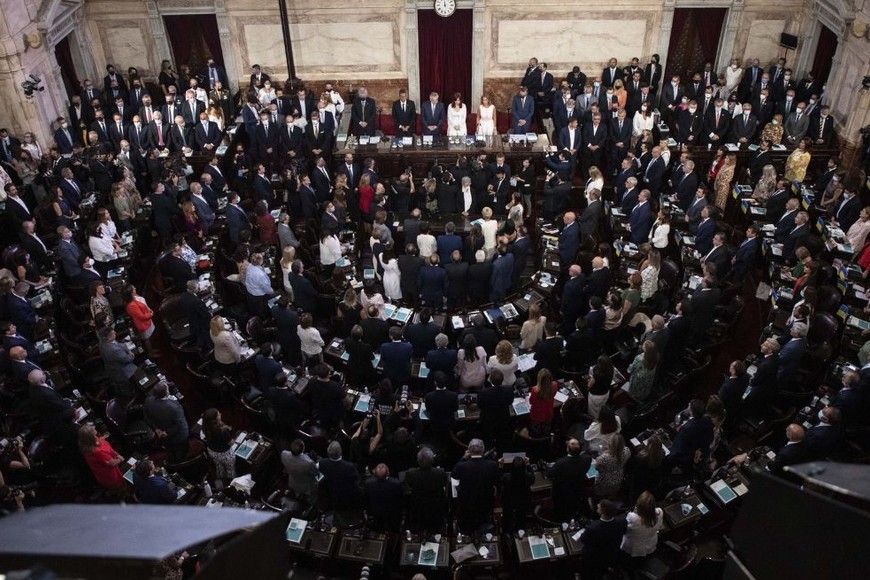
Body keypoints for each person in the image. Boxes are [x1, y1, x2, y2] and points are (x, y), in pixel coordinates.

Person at [452, 439, 500, 532]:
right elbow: (497, 481)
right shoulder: (492, 465)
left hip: (466, 506)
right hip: (485, 505)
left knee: (467, 530)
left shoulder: (462, 466)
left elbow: (454, 475)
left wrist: (463, 458)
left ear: (469, 450)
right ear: (483, 450)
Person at [580, 499, 629, 579]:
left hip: (595, 557)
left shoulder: (592, 528)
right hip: (612, 553)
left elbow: (583, 540)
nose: (597, 505)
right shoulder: (622, 522)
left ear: (602, 512)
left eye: (599, 506)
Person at [144, 382, 190, 463]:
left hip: (163, 436)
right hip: (177, 436)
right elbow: (179, 424)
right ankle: (181, 463)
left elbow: (147, 417)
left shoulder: (148, 400)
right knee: (181, 452)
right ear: (167, 393)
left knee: (170, 449)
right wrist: (166, 432)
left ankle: (173, 461)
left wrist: (156, 429)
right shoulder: (174, 407)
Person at [404, 447, 448, 530]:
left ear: (418, 460)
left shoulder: (411, 473)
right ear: (432, 460)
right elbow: (444, 485)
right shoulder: (441, 472)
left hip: (417, 508)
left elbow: (408, 489)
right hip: (436, 509)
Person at [79, 423, 125, 492]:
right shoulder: (97, 451)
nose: (95, 428)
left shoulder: (90, 441)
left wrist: (116, 453)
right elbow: (111, 463)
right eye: (93, 429)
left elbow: (103, 444)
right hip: (110, 475)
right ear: (91, 436)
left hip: (110, 465)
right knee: (120, 489)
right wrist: (120, 459)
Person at [318, 440, 362, 512]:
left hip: (331, 493)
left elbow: (319, 478)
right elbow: (356, 479)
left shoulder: (322, 463)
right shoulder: (349, 467)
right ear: (341, 452)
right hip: (347, 494)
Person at [621, 491, 663, 558]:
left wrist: (635, 512)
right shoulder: (660, 511)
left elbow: (626, 529)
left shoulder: (633, 517)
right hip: (650, 545)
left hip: (634, 548)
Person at [201, 408, 236, 487]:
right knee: (230, 470)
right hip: (225, 455)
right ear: (215, 419)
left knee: (219, 467)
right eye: (218, 414)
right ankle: (230, 485)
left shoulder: (205, 426)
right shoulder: (223, 431)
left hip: (212, 452)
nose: (220, 414)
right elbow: (231, 443)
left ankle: (219, 484)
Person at [281, 439, 319, 505]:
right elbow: (316, 473)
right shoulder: (309, 463)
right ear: (303, 449)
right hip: (307, 486)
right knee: (312, 498)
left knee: (298, 494)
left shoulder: (284, 454)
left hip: (293, 482)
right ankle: (311, 505)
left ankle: (298, 497)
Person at [529, 368, 556, 436]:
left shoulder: (535, 390)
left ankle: (538, 438)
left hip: (537, 414)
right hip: (548, 412)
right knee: (546, 428)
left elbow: (531, 401)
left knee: (536, 430)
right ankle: (545, 438)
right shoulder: (554, 385)